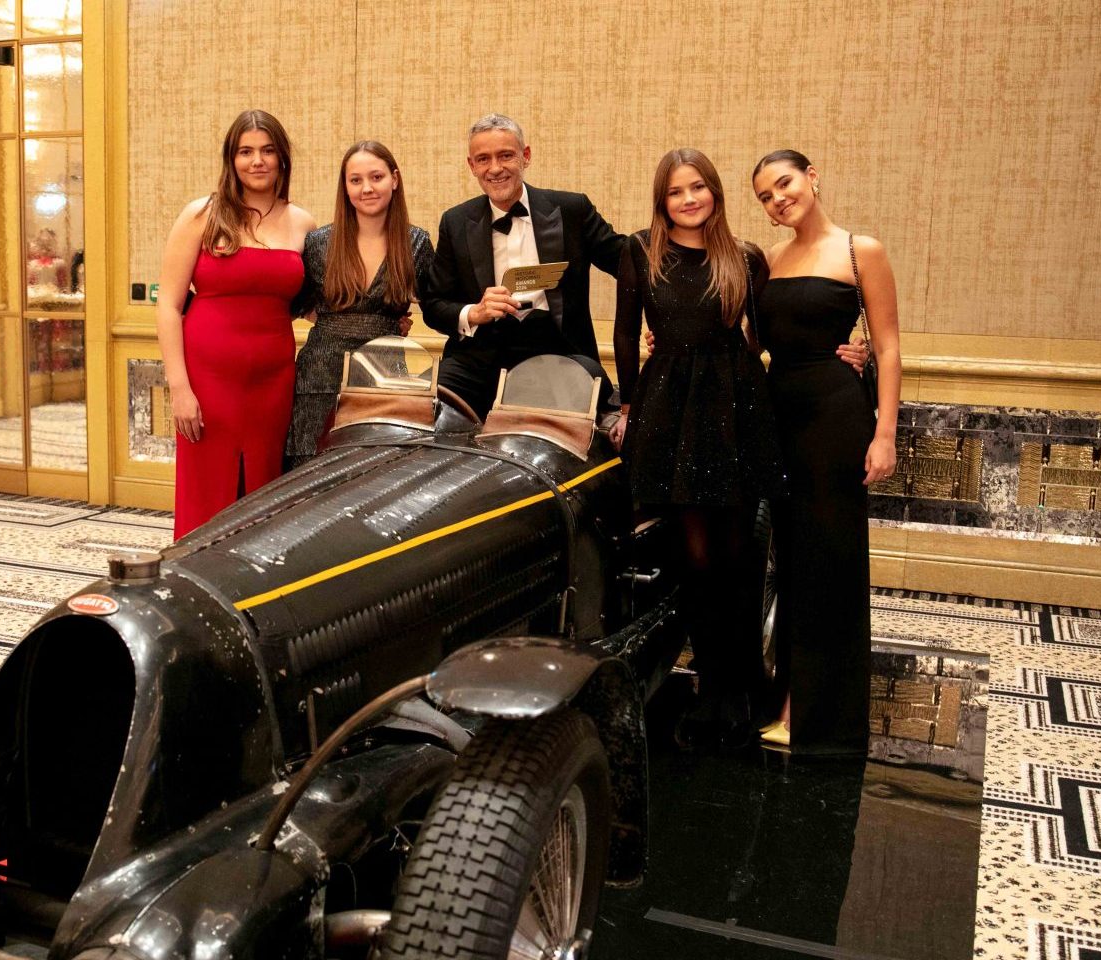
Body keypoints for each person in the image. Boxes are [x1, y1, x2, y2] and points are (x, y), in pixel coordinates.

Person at [610, 148, 779, 747]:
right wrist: (628, 405)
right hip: (667, 412)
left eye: (699, 188)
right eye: (677, 191)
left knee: (736, 561)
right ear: (663, 201)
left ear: (715, 193)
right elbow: (625, 332)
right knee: (695, 561)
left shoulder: (746, 258)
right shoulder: (640, 250)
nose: (689, 199)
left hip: (733, 407)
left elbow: (766, 332)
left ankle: (742, 688)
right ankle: (711, 685)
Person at [752, 149, 901, 754]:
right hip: (778, 414)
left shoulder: (860, 250)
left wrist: (884, 432)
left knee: (831, 558)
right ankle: (790, 695)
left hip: (836, 416)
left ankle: (823, 715)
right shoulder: (767, 261)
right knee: (789, 560)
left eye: (783, 183)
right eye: (764, 195)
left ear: (812, 177)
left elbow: (887, 347)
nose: (777, 198)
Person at [155, 109, 316, 539]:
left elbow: (313, 305)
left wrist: (379, 312)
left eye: (266, 150)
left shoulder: (304, 223)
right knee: (207, 490)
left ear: (282, 158)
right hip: (207, 380)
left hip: (273, 379)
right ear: (231, 159)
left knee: (264, 487)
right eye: (245, 151)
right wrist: (179, 389)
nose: (257, 161)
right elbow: (168, 306)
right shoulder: (202, 214)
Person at [421, 114, 626, 419]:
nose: (495, 168)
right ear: (472, 165)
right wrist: (473, 313)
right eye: (483, 159)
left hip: (558, 352)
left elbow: (628, 262)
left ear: (525, 156)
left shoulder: (571, 210)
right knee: (418, 406)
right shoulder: (455, 221)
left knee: (589, 421)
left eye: (506, 155)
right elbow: (434, 305)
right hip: (479, 355)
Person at [286, 141, 434, 466]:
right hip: (320, 379)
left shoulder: (416, 243)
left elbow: (439, 304)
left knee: (374, 476)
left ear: (394, 179)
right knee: (310, 475)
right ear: (345, 187)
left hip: (386, 377)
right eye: (355, 180)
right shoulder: (319, 243)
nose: (367, 188)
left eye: (376, 177)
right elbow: (295, 303)